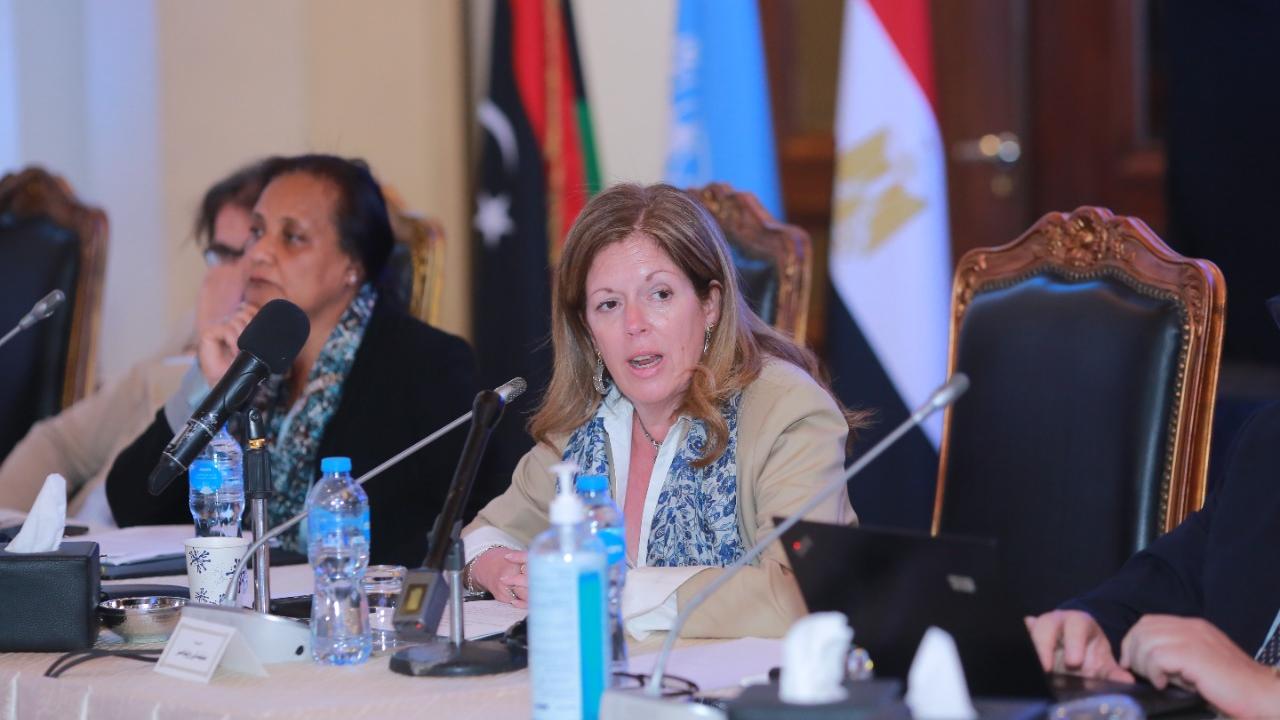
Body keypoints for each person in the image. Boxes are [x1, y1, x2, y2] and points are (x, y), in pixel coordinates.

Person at [461, 183, 862, 639]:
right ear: (588, 331)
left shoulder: (786, 411)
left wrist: (614, 591)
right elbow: (485, 533)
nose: (634, 325)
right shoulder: (588, 425)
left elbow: (802, 594)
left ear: (710, 305)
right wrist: (496, 569)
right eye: (609, 304)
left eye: (660, 295)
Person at [105, 154, 490, 567]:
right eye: (257, 232)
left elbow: (468, 525)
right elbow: (133, 505)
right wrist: (208, 386)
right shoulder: (251, 357)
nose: (259, 252)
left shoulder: (428, 365)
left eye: (292, 237)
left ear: (352, 265)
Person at [0, 159, 273, 524]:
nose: (218, 275)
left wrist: (210, 367)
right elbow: (61, 443)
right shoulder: (188, 331)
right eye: (219, 255)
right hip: (79, 535)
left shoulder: (271, 369)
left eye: (236, 254)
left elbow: (152, 495)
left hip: (138, 547)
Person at [1026, 398, 1280, 717]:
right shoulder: (1269, 440)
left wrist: (1262, 691)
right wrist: (1088, 632)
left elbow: (1245, 684)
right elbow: (1167, 582)